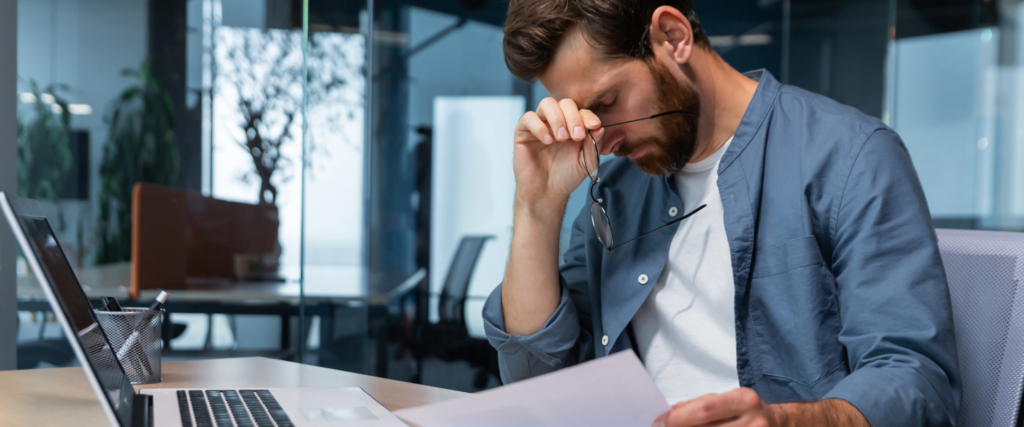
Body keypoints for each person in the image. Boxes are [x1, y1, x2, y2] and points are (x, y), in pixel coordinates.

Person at [480, 1, 961, 426]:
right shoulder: (617, 191)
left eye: (607, 102)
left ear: (673, 36)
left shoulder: (849, 157)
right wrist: (537, 207)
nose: (603, 139)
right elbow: (536, 378)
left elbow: (917, 384)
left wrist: (784, 424)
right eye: (586, 116)